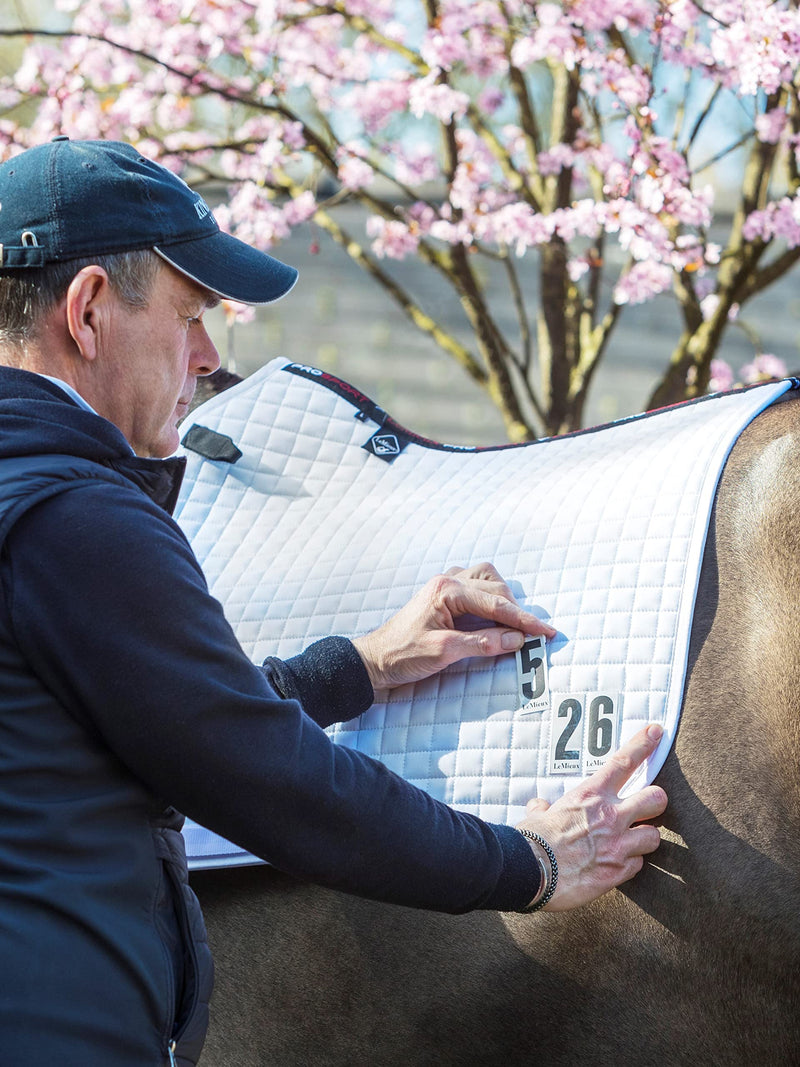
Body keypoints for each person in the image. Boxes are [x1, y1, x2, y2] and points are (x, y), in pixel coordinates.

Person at [0, 138, 668, 1066]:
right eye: (191, 315)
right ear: (88, 311)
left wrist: (361, 665)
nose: (205, 356)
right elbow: (262, 771)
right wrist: (533, 860)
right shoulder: (72, 517)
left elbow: (146, 709)